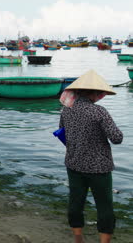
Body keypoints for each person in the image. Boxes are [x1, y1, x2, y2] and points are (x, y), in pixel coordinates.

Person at [59, 70, 123, 243]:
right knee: (104, 205)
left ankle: (78, 237)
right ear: (94, 93)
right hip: (99, 167)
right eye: (100, 93)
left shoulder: (66, 111)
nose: (101, 96)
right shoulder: (99, 112)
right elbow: (117, 138)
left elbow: (63, 133)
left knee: (76, 202)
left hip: (73, 163)